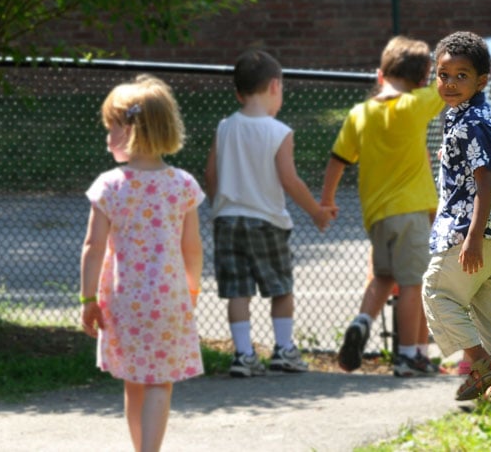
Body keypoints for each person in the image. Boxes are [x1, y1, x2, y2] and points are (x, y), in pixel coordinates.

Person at [80, 75, 204, 452]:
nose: (106, 137)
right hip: (167, 303)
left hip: (123, 302)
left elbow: (93, 247)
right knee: (158, 382)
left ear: (131, 131)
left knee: (133, 380)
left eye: (111, 128)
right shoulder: (182, 184)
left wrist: (88, 300)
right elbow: (193, 248)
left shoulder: (109, 186)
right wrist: (192, 288)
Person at [204, 50, 336, 377]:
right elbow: (289, 180)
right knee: (281, 287)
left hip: (227, 220)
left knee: (237, 290)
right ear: (275, 86)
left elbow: (210, 174)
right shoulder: (278, 131)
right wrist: (316, 212)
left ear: (238, 92)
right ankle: (283, 349)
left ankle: (244, 355)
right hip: (267, 223)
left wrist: (219, 203)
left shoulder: (225, 127)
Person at [321, 35, 444, 377]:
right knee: (413, 284)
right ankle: (407, 355)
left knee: (382, 277)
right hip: (412, 213)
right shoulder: (415, 104)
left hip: (377, 218)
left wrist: (327, 201)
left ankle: (362, 320)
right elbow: (445, 87)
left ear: (380, 74)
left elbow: (337, 160)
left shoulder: (360, 113)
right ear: (421, 80)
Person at [422, 31, 491, 402]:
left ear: (482, 80)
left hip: (479, 232)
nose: (449, 83)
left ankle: (482, 365)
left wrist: (474, 237)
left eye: (461, 75)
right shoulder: (474, 116)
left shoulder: (470, 123)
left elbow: (485, 181)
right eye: (442, 74)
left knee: (436, 293)